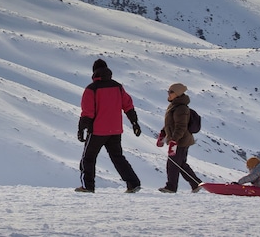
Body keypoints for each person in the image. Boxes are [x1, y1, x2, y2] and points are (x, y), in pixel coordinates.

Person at [75, 58, 142, 193]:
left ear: (94, 72)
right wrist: (134, 122)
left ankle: (88, 186)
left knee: (88, 158)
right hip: (115, 130)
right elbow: (128, 105)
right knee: (117, 157)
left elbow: (88, 112)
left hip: (98, 131)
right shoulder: (117, 86)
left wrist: (81, 129)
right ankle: (133, 183)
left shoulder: (91, 89)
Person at [156, 83, 202, 193]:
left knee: (172, 164)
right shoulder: (174, 106)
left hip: (180, 141)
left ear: (177, 93)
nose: (169, 94)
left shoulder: (181, 108)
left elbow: (181, 127)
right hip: (179, 140)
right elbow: (169, 124)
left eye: (171, 92)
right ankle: (196, 184)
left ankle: (171, 187)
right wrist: (162, 134)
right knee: (180, 164)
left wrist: (174, 140)